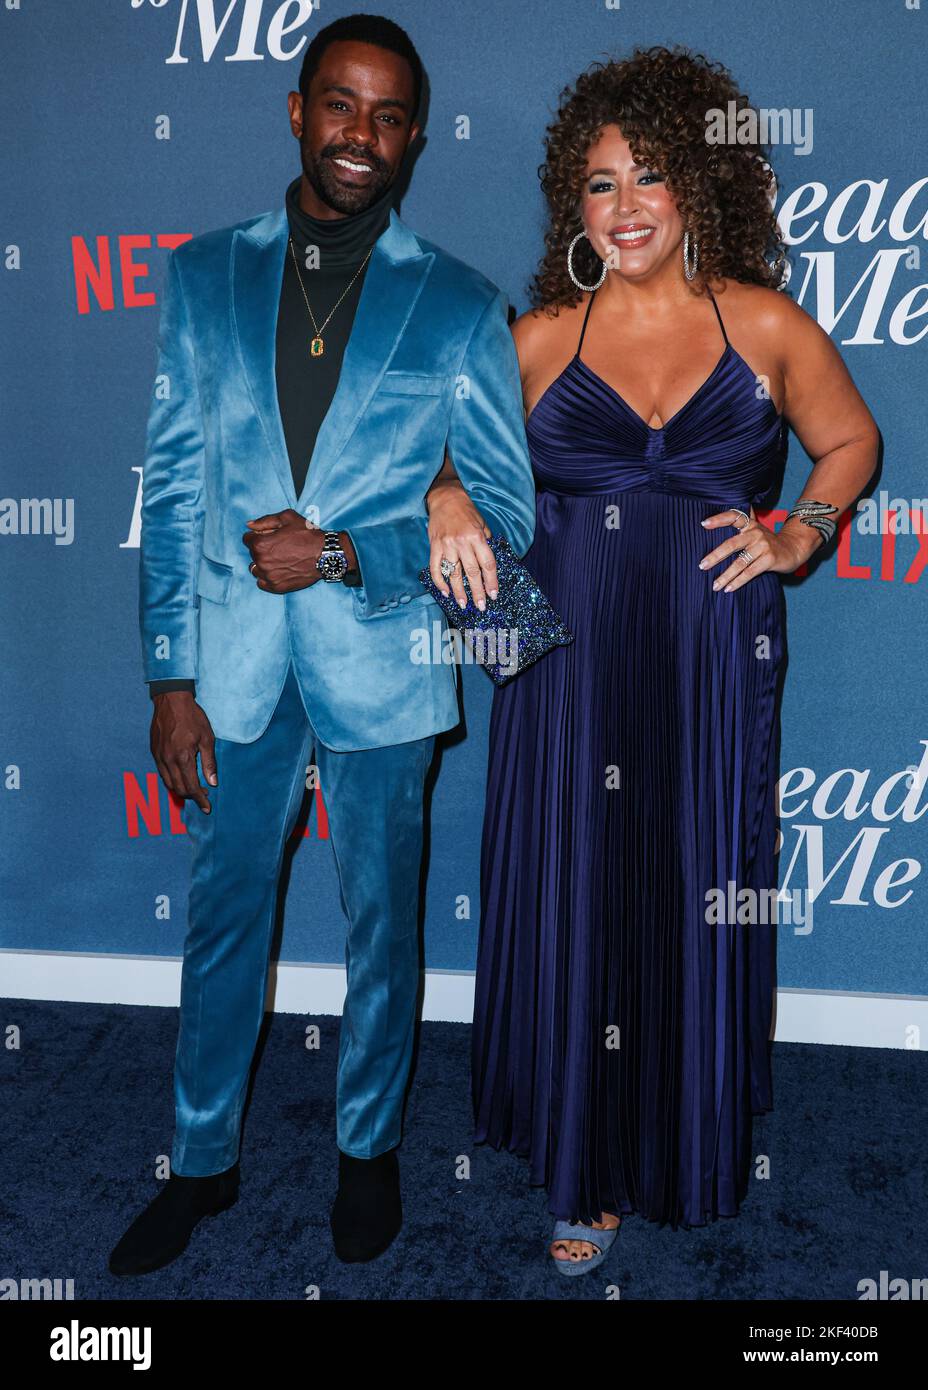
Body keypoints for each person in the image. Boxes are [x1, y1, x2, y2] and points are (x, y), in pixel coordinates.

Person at [435, 46, 878, 1273]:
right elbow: (443, 462)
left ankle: (682, 1125)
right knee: (580, 886)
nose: (623, 207)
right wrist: (443, 502)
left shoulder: (767, 322)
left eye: (649, 178)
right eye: (597, 185)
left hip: (706, 656)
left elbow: (848, 442)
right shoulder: (537, 337)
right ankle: (588, 1164)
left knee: (688, 881)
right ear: (570, 207)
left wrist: (800, 530)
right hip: (569, 666)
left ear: (700, 186)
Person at [110, 12, 535, 1276]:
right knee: (223, 914)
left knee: (380, 924)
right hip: (231, 665)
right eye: (340, 105)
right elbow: (177, 487)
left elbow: (503, 529)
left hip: (385, 659)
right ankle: (200, 1161)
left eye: (388, 115)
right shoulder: (201, 274)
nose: (362, 134)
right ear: (296, 111)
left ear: (412, 139)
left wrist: (346, 551)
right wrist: (170, 675)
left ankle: (368, 1151)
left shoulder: (459, 302)